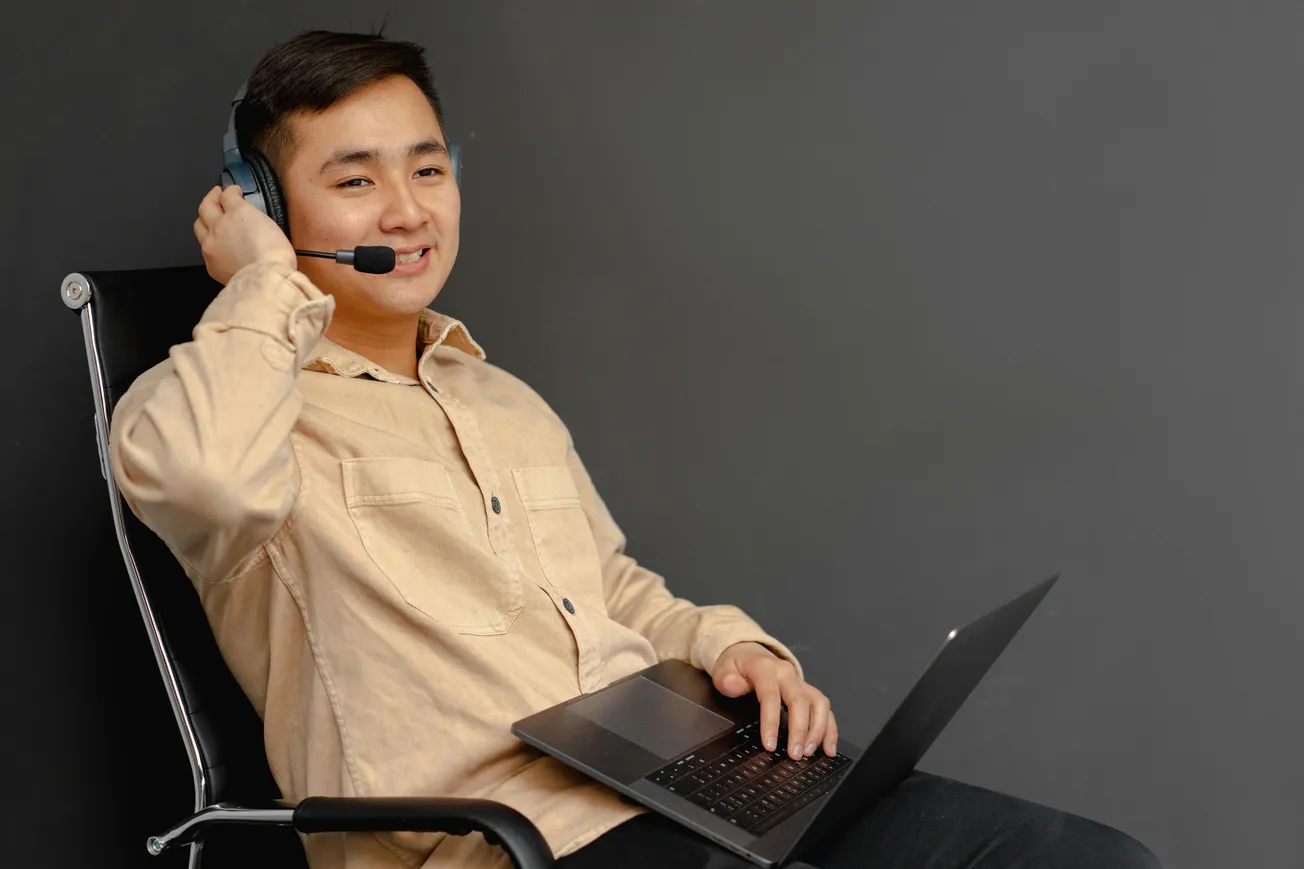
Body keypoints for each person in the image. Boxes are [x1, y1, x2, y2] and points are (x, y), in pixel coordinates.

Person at [109, 29, 1161, 869]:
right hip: (503, 841)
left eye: (427, 168)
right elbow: (204, 481)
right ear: (265, 204)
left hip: (673, 780)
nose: (408, 210)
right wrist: (262, 282)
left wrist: (729, 647)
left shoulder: (502, 399)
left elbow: (609, 587)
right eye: (354, 181)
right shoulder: (211, 407)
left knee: (1091, 858)